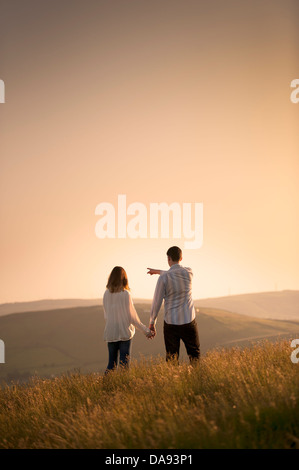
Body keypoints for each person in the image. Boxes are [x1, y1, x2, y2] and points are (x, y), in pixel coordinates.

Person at [147, 246, 200, 364]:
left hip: (171, 323)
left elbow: (157, 301)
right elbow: (175, 272)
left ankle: (174, 380)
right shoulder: (189, 272)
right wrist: (158, 271)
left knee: (172, 358)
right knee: (194, 355)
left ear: (168, 258)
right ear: (181, 258)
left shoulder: (163, 278)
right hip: (188, 321)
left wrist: (152, 322)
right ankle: (198, 379)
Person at [103, 266, 152, 374]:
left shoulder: (106, 294)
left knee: (111, 364)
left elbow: (106, 315)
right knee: (124, 364)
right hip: (124, 333)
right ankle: (123, 387)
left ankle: (106, 386)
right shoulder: (125, 294)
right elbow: (132, 317)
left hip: (111, 333)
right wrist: (146, 331)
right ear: (124, 278)